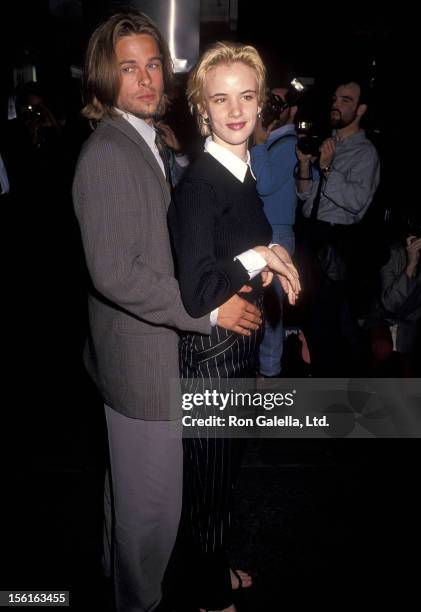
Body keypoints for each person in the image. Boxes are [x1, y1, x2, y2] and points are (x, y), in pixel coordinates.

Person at [72, 11, 264, 612]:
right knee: (151, 512)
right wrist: (206, 316)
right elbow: (115, 273)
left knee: (134, 499)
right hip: (142, 363)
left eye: (153, 64)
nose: (147, 78)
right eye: (129, 67)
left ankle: (125, 578)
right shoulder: (107, 153)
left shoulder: (146, 138)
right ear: (105, 76)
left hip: (148, 356)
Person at [168, 41, 300, 612]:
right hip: (211, 360)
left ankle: (212, 570)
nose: (236, 109)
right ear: (202, 109)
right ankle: (205, 594)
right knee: (207, 491)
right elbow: (197, 292)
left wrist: (268, 250)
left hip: (235, 351)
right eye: (220, 99)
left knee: (222, 482)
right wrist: (258, 259)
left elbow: (236, 245)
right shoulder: (200, 184)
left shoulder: (240, 169)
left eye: (246, 95)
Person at [295, 77, 380, 375]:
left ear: (361, 109)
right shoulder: (328, 142)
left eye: (346, 100)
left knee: (328, 328)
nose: (336, 104)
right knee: (311, 323)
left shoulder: (365, 152)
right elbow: (307, 200)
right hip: (311, 236)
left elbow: (356, 202)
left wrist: (328, 168)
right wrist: (306, 165)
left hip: (336, 243)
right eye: (335, 97)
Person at [251, 85, 299, 376]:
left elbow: (264, 185)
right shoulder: (274, 140)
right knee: (264, 311)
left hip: (277, 236)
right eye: (270, 100)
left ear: (292, 110)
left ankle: (269, 378)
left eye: (278, 103)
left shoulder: (288, 143)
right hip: (266, 234)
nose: (271, 107)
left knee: (272, 316)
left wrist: (257, 144)